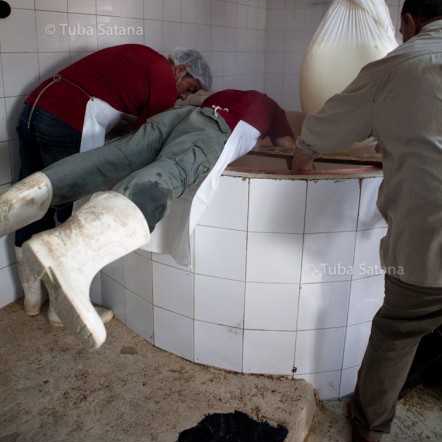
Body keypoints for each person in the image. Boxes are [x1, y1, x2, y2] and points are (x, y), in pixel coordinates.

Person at [0, 89, 295, 350]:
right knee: (170, 173)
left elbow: (198, 105)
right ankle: (69, 250)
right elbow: (286, 145)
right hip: (214, 128)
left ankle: (12, 204)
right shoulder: (272, 109)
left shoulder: (230, 94)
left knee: (112, 158)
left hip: (180, 116)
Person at [291, 0, 442, 442]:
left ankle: (369, 429)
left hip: (429, 239)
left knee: (399, 330)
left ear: (411, 22)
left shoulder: (399, 63)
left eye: (400, 29)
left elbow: (339, 113)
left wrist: (305, 149)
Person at [14, 44, 212, 328]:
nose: (185, 96)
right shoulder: (162, 77)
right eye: (190, 87)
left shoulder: (144, 58)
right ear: (180, 70)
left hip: (33, 111)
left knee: (34, 201)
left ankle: (32, 300)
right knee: (71, 211)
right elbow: (151, 137)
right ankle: (62, 310)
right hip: (63, 120)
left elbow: (119, 105)